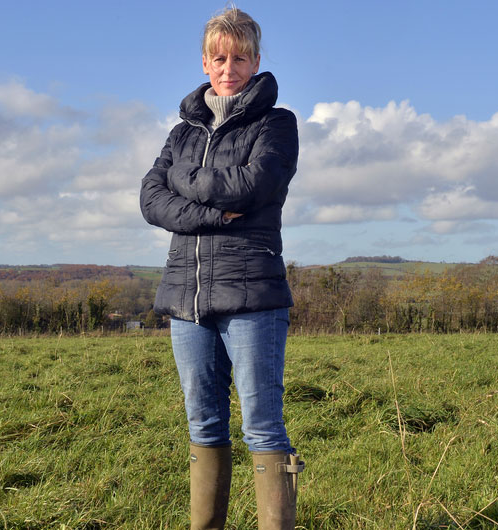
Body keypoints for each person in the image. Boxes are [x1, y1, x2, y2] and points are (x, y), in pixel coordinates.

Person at [139, 7, 303, 530]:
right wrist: (211, 208)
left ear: (255, 60)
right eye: (218, 57)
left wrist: (185, 182)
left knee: (262, 428)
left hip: (252, 295)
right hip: (185, 300)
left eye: (239, 57)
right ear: (205, 62)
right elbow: (150, 199)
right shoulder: (182, 131)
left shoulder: (277, 123)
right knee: (204, 426)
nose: (228, 67)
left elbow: (254, 187)